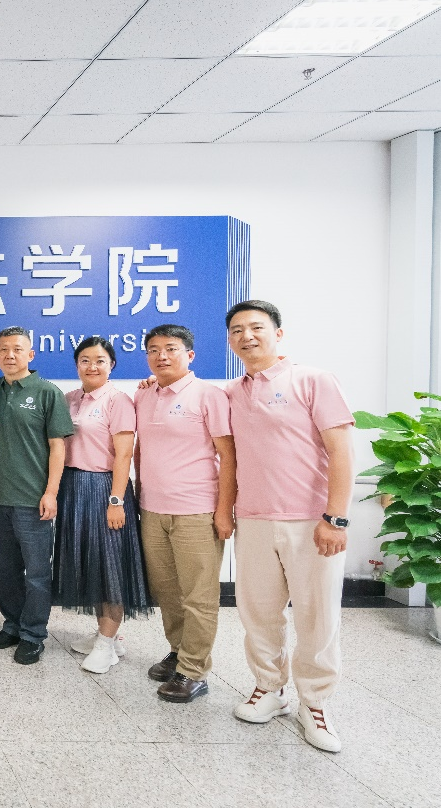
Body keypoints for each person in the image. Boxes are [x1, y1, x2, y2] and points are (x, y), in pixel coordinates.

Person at [224, 300, 353, 752]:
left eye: (256, 327)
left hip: (311, 521)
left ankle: (315, 702)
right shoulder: (232, 392)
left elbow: (342, 452)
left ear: (278, 333)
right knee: (258, 612)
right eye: (237, 330)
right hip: (253, 519)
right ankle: (269, 688)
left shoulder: (313, 380)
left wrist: (335, 518)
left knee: (317, 614)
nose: (247, 336)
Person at [133, 324, 236, 703]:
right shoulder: (144, 395)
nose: (161, 356)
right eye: (153, 349)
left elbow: (229, 457)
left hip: (197, 511)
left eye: (171, 348)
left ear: (189, 355)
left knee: (199, 594)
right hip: (152, 510)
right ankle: (178, 651)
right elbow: (140, 450)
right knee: (167, 590)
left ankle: (194, 670)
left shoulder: (209, 395)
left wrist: (224, 511)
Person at [54, 336, 150, 674]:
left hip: (104, 488)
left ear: (112, 365)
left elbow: (124, 455)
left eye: (100, 360)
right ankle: (106, 634)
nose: (92, 366)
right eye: (85, 360)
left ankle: (107, 644)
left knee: (111, 565)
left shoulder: (117, 400)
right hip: (73, 487)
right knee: (90, 563)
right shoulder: (69, 399)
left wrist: (116, 500)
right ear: (76, 364)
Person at [0, 326, 75, 665]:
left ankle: (33, 634)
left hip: (34, 501)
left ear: (30, 354)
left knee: (36, 574)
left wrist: (51, 492)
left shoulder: (47, 392)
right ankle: (12, 625)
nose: (10, 355)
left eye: (17, 349)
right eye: (3, 349)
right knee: (5, 571)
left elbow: (58, 447)